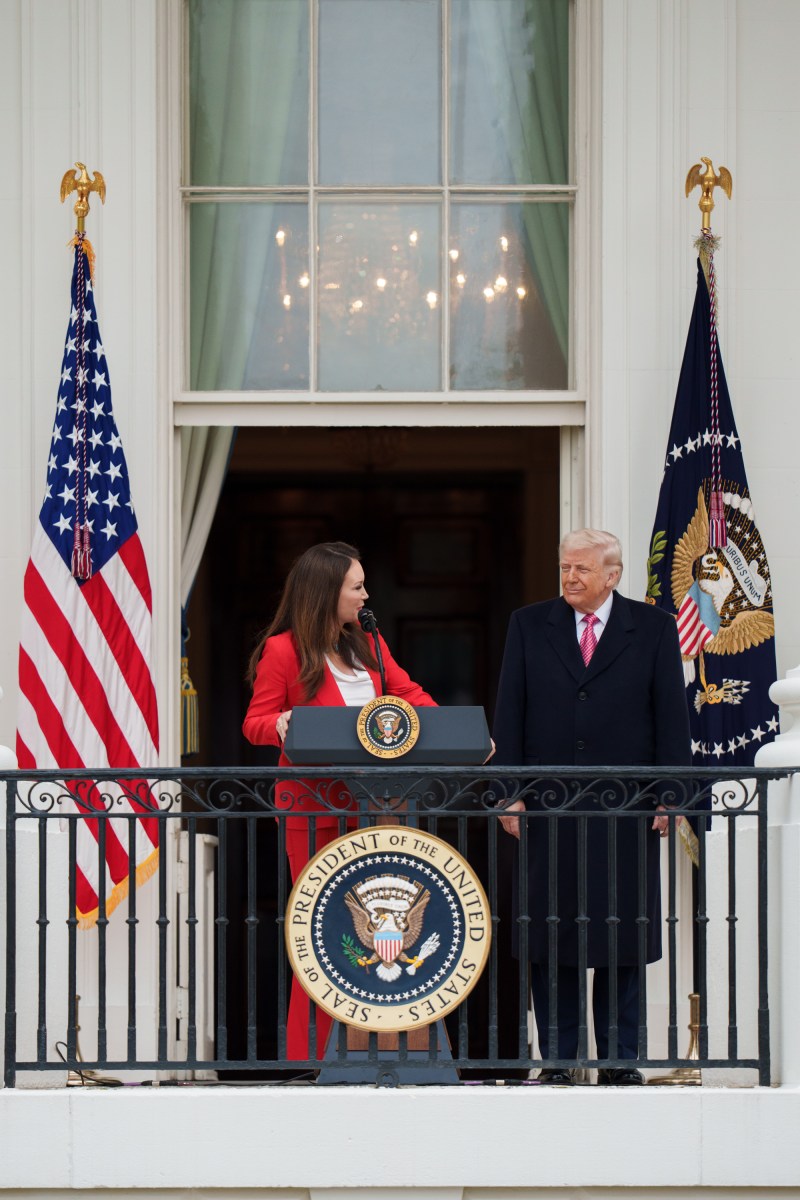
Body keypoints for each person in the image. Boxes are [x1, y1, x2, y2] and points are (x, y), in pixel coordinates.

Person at [492, 529, 691, 1086]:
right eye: (564, 569)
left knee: (621, 936)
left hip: (624, 808)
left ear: (612, 575)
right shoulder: (529, 624)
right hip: (548, 806)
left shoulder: (652, 628)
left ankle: (620, 1061)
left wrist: (672, 794)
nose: (570, 579)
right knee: (550, 935)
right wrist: (508, 789)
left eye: (581, 570)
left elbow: (671, 716)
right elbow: (510, 710)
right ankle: (556, 1060)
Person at [242, 541, 437, 1061]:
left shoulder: (366, 645)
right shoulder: (283, 650)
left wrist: (447, 725)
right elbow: (255, 721)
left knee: (385, 928)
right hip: (315, 811)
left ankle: (384, 1047)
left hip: (378, 809)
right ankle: (316, 1054)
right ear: (327, 592)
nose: (366, 594)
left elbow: (410, 694)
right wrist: (280, 723)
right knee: (326, 928)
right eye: (357, 586)